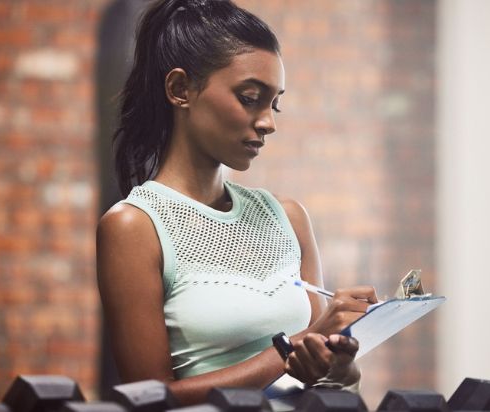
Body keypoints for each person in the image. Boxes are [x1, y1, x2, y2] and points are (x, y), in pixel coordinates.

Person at [96, 0, 378, 406]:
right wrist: (288, 350)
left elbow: (318, 380)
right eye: (250, 98)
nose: (269, 122)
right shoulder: (135, 227)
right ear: (180, 90)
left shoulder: (289, 219)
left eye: (274, 103)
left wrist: (338, 364)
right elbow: (150, 400)